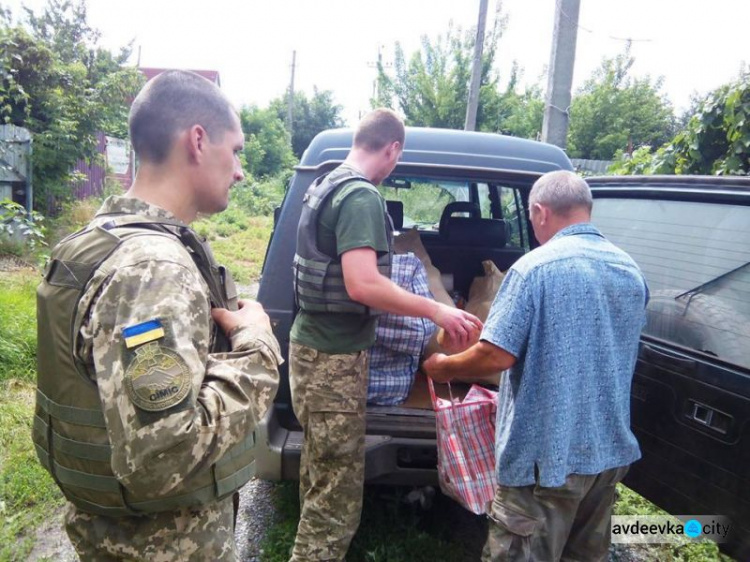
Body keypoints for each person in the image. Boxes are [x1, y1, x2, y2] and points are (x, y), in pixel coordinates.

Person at [33, 70, 281, 561]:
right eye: (237, 151)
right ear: (197, 141)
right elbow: (164, 457)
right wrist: (258, 345)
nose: (240, 171)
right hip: (161, 545)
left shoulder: (102, 239)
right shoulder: (152, 270)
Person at [289, 108, 483, 562]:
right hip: (331, 360)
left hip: (312, 349)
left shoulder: (325, 182)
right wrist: (437, 309)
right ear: (392, 149)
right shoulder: (360, 197)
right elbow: (363, 284)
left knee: (322, 474)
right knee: (336, 500)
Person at [423, 170, 648, 562]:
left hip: (545, 462)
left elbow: (496, 355)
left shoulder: (533, 269)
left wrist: (444, 367)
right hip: (607, 456)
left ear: (541, 212)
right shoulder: (630, 269)